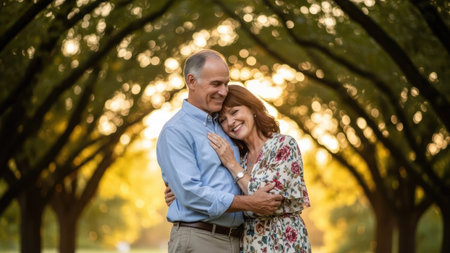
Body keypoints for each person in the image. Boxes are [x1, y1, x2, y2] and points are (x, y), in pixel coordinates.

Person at [156, 49, 283, 253]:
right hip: (200, 239)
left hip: (240, 240)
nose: (224, 91)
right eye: (216, 84)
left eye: (226, 83)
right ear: (191, 81)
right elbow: (191, 192)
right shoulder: (175, 131)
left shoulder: (225, 126)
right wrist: (249, 203)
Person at [166, 84, 312, 252]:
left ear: (252, 108)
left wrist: (232, 165)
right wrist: (179, 193)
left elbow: (269, 199)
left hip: (284, 241)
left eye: (234, 112)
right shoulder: (239, 157)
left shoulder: (283, 145)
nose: (230, 122)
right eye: (222, 120)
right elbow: (219, 192)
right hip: (248, 243)